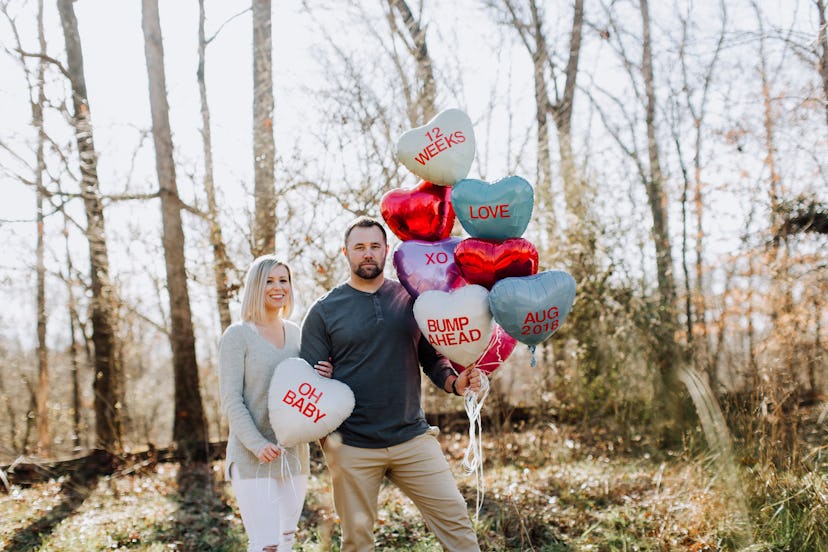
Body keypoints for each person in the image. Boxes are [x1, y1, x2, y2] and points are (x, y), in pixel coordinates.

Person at [300, 216, 483, 552]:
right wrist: (328, 436)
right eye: (359, 247)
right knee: (357, 542)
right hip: (352, 446)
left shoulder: (412, 299)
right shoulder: (324, 311)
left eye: (374, 246)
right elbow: (309, 383)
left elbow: (432, 358)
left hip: (412, 437)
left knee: (457, 524)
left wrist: (456, 383)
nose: (367, 253)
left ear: (386, 250)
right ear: (346, 253)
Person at [219, 255, 333, 552]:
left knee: (286, 541)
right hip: (251, 457)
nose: (278, 286)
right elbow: (231, 400)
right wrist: (257, 444)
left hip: (293, 455)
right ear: (255, 286)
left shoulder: (296, 333)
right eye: (269, 280)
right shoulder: (237, 336)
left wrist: (324, 375)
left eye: (283, 280)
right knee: (265, 545)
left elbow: (305, 391)